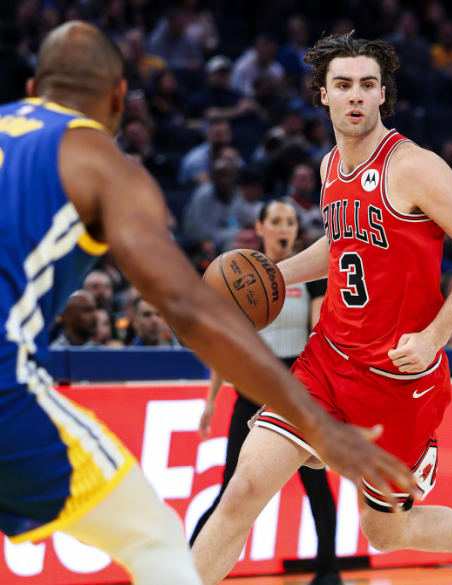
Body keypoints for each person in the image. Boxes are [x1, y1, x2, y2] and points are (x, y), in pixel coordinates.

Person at [0, 22, 414, 585]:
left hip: (281, 374)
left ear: (32, 88)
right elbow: (187, 308)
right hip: (9, 389)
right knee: (156, 541)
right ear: (120, 97)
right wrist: (316, 420)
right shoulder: (103, 164)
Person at [191, 32, 452, 585]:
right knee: (243, 490)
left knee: (385, 531)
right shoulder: (330, 165)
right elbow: (340, 244)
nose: (355, 95)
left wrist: (436, 335)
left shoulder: (414, 166)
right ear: (323, 94)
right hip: (327, 361)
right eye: (343, 84)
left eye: (367, 84)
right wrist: (275, 276)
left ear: (382, 94)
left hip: (397, 379)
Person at [194, 201, 340, 585]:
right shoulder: (240, 277)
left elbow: (318, 333)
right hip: (251, 390)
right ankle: (186, 570)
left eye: (290, 222)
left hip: (295, 390)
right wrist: (211, 400)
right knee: (231, 489)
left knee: (316, 486)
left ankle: (329, 573)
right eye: (276, 221)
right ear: (259, 227)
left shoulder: (310, 275)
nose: (284, 228)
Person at [183, 154, 262, 249]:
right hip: (200, 239)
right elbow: (200, 230)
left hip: (224, 234)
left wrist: (252, 223)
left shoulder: (235, 192)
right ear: (213, 176)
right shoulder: (203, 194)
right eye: (221, 175)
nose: (225, 180)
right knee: (236, 239)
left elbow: (244, 214)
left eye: (228, 175)